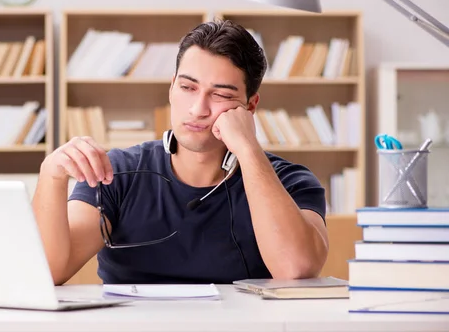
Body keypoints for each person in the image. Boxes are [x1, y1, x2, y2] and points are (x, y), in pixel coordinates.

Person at [32, 19, 329, 285]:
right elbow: (49, 271)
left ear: (250, 106)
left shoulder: (291, 180)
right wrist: (52, 175)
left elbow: (294, 269)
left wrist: (248, 148)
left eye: (222, 95)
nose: (198, 109)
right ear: (172, 87)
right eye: (188, 88)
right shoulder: (117, 172)